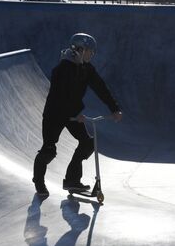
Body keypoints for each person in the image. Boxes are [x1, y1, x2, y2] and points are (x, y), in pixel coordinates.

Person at [32, 33, 122, 196]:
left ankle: (72, 181)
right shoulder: (62, 69)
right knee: (49, 149)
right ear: (79, 50)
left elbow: (100, 88)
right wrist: (73, 113)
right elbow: (61, 95)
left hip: (72, 113)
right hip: (55, 113)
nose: (92, 54)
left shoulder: (87, 69)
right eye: (89, 51)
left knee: (87, 143)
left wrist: (114, 108)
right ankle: (38, 181)